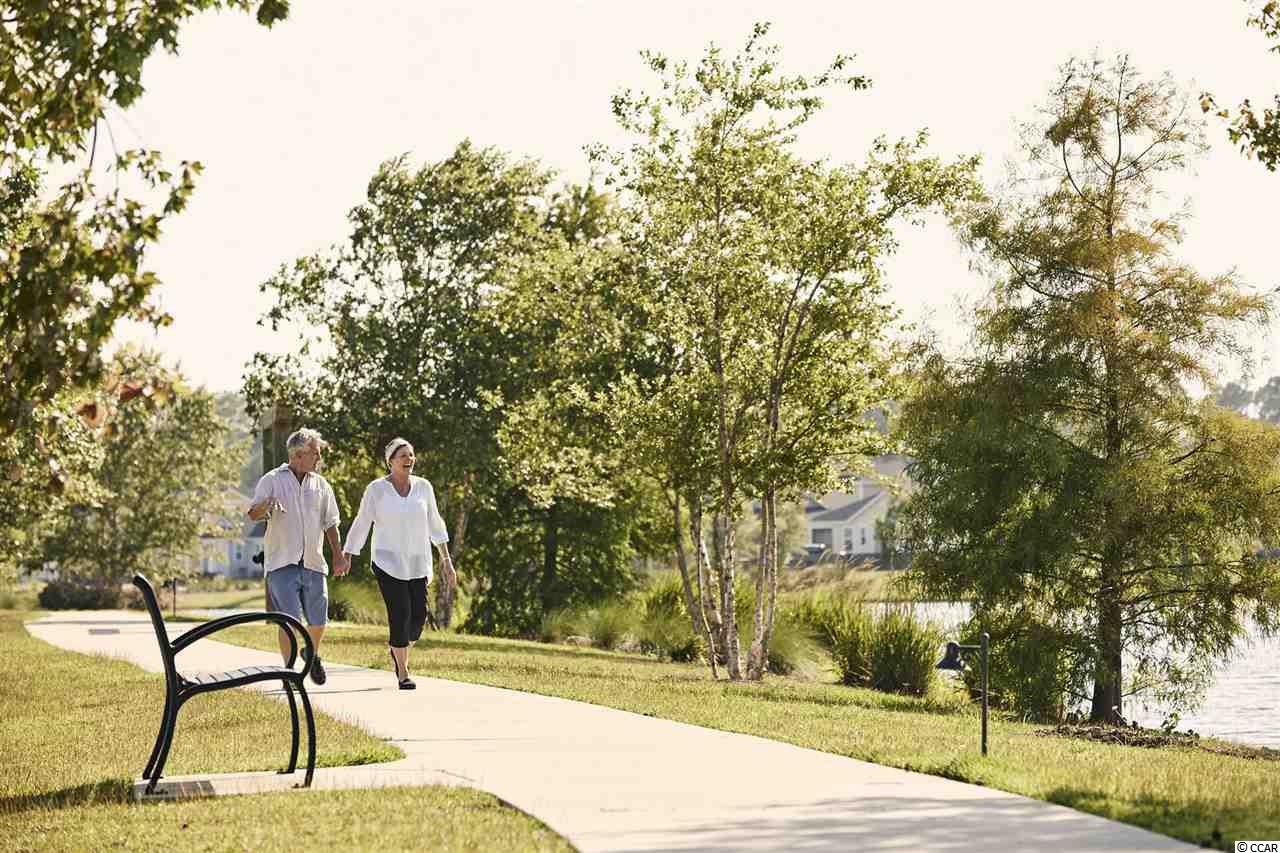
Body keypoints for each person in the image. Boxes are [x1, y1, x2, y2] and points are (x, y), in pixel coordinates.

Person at [342, 437, 456, 689]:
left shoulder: (424, 487)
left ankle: (398, 648)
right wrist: (348, 552)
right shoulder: (376, 489)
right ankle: (403, 672)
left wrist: (446, 559)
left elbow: (435, 523)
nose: (409, 459)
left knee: (418, 617)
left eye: (411, 455)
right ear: (390, 461)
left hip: (417, 562)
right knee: (400, 613)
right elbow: (362, 522)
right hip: (387, 562)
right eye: (403, 455)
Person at [247, 428, 350, 685]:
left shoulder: (321, 484)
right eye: (315, 453)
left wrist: (338, 555)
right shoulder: (272, 480)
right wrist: (266, 505)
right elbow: (253, 514)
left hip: (314, 562)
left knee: (318, 621)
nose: (319, 458)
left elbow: (331, 523)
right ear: (298, 454)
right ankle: (289, 672)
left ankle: (311, 655)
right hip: (281, 563)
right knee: (289, 621)